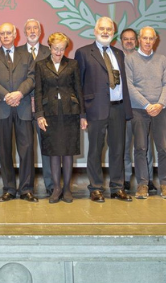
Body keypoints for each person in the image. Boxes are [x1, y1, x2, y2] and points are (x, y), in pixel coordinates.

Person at [75, 16, 132, 203]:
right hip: (94, 109)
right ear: (95, 30)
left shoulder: (119, 53)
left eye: (109, 29)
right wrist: (82, 114)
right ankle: (96, 188)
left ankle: (117, 187)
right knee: (95, 150)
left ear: (113, 33)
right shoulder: (83, 53)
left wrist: (126, 110)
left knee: (118, 149)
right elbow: (78, 85)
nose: (106, 31)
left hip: (118, 108)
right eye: (102, 28)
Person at [0, 22, 38, 203]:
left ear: (15, 34)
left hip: (23, 107)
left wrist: (20, 93)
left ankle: (26, 189)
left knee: (27, 149)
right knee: (4, 150)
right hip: (2, 107)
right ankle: (8, 188)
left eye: (9, 33)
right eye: (2, 33)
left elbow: (32, 77)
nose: (6, 36)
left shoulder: (27, 55)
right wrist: (7, 95)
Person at [124, 27, 166, 200]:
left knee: (164, 149)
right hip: (139, 110)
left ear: (155, 40)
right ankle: (142, 185)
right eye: (144, 38)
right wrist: (146, 105)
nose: (147, 41)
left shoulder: (162, 60)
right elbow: (129, 86)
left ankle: (165, 185)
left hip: (160, 110)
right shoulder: (130, 59)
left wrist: (160, 104)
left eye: (150, 38)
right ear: (139, 39)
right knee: (140, 148)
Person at [34, 32, 83, 204]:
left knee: (68, 152)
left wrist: (82, 115)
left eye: (62, 49)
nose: (58, 52)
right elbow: (38, 92)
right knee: (54, 153)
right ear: (49, 47)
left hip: (70, 113)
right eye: (56, 48)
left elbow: (78, 89)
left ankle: (68, 188)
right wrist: (39, 115)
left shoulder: (73, 64)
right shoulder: (40, 65)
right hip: (50, 114)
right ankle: (56, 188)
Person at [19, 19, 52, 195]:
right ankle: (27, 188)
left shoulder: (49, 52)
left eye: (35, 28)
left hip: (45, 108)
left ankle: (51, 185)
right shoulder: (16, 53)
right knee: (26, 149)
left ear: (41, 31)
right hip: (22, 107)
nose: (32, 31)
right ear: (24, 32)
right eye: (29, 29)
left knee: (47, 147)